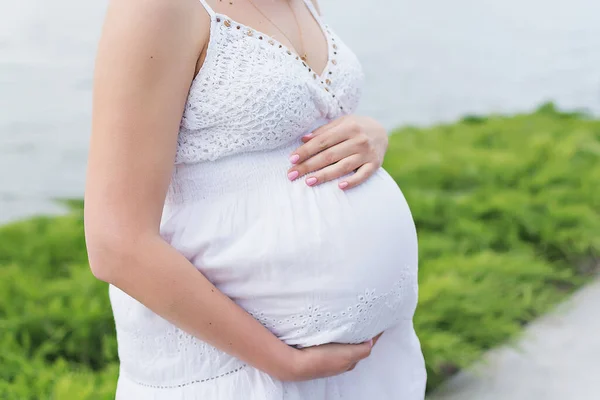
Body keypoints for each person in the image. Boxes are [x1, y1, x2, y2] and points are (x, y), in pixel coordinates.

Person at [84, 0, 426, 398]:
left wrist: (368, 132)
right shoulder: (157, 8)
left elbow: (301, 118)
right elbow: (116, 244)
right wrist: (284, 363)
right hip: (245, 373)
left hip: (369, 367)